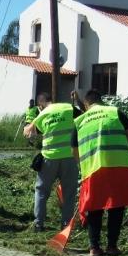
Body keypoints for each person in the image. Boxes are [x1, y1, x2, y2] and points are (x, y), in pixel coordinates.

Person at [74, 89, 128, 256]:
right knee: (116, 206)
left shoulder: (80, 120)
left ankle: (94, 248)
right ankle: (112, 246)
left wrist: (83, 168)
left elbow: (74, 151)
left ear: (86, 104)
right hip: (118, 166)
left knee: (94, 207)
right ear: (101, 101)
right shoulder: (114, 112)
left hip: (93, 170)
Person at [23, 92, 78, 231]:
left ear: (40, 105)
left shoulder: (42, 115)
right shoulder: (68, 108)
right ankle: (66, 225)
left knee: (41, 191)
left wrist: (30, 116)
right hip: (70, 157)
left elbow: (31, 134)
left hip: (49, 159)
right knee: (69, 193)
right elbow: (82, 117)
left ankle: (38, 224)